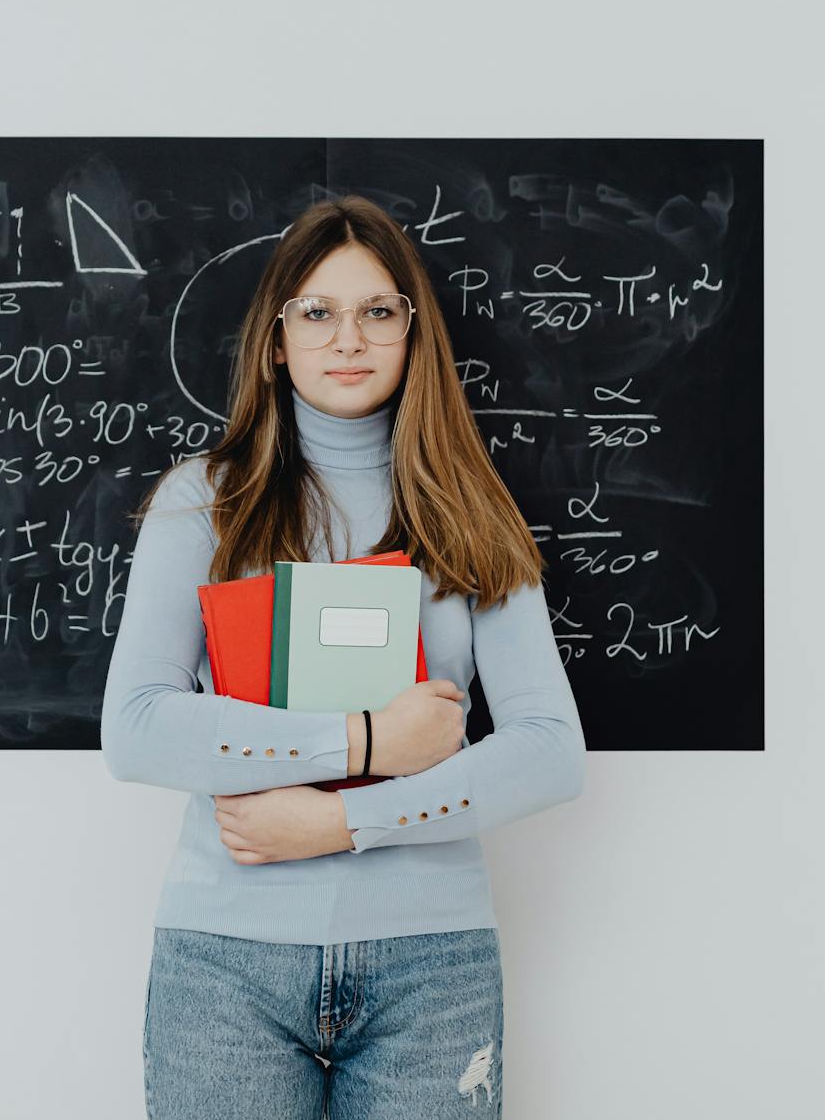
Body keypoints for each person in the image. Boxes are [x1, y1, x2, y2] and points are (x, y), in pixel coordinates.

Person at [101, 195, 587, 1118]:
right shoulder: (202, 501)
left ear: (413, 332)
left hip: (431, 964)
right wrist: (367, 742)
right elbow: (136, 731)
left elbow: (552, 750)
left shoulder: (470, 507)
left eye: (378, 311)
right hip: (225, 961)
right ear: (276, 339)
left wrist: (347, 824)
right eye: (316, 312)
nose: (347, 338)